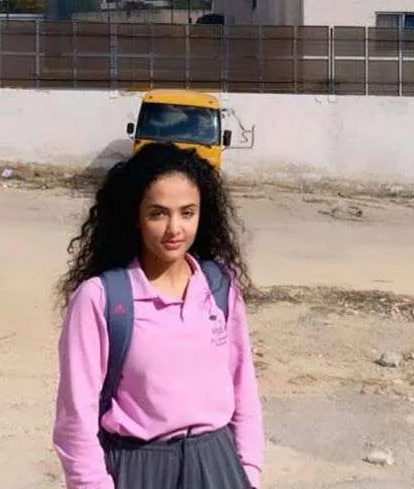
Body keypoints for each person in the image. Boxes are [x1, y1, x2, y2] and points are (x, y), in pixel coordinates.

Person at [53, 143, 264, 489]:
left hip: (217, 463)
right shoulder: (101, 299)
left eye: (187, 212)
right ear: (136, 217)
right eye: (158, 214)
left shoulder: (219, 289)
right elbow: (75, 418)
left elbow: (244, 391)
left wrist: (248, 472)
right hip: (139, 468)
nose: (174, 229)